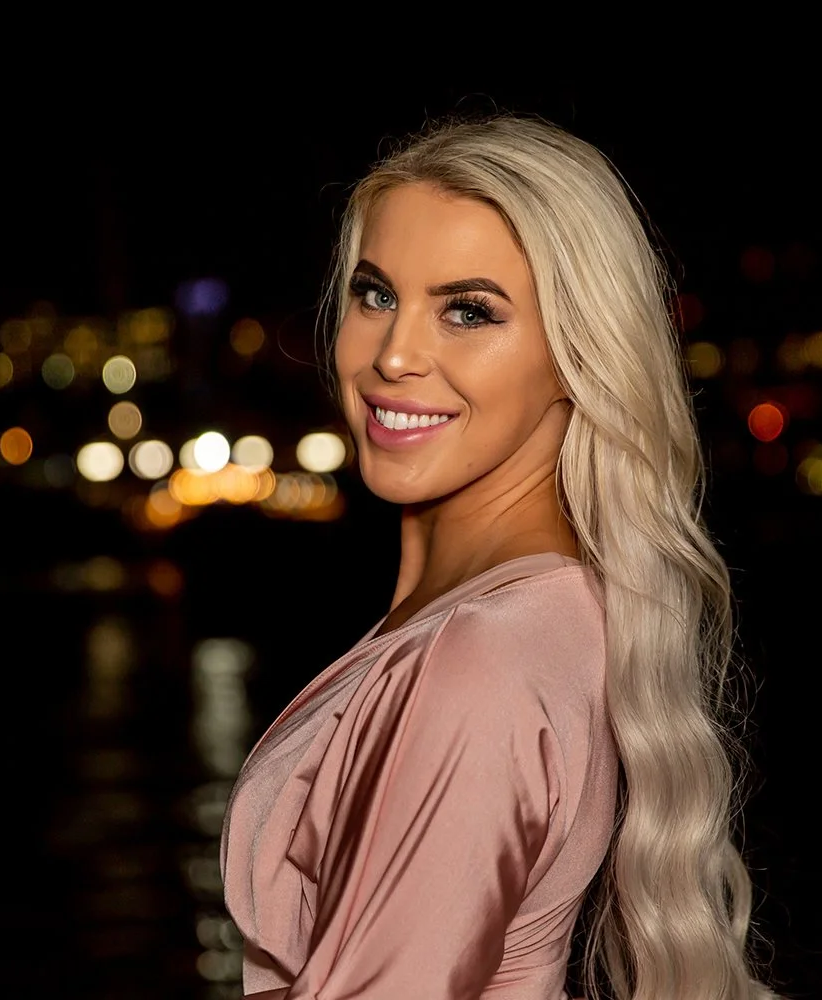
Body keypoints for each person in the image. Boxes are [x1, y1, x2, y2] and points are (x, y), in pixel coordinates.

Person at [220, 114, 781, 1000]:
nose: (394, 355)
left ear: (577, 352)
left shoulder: (478, 658)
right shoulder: (545, 617)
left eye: (468, 311)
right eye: (376, 295)